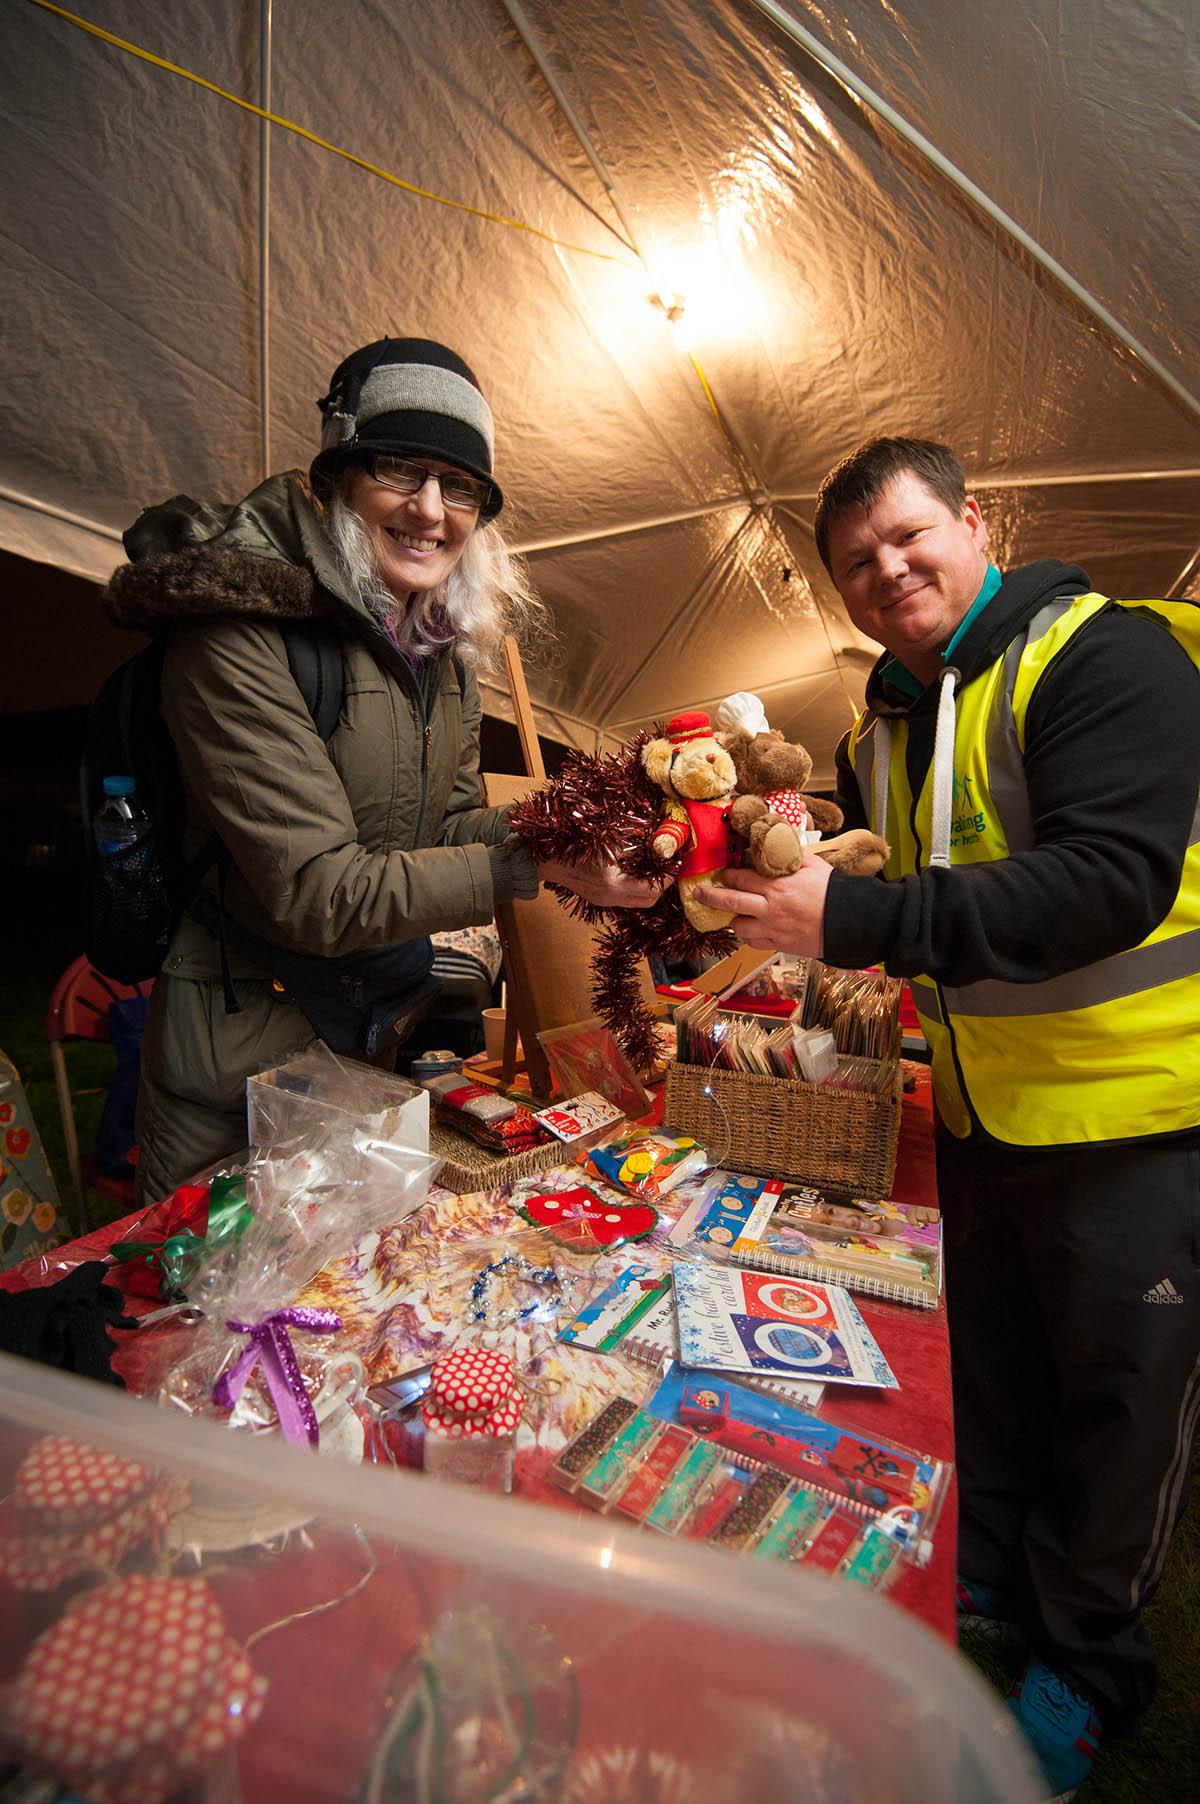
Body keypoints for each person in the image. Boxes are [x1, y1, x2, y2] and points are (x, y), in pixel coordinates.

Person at [695, 437, 1200, 1796]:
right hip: (987, 1114)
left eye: (912, 536)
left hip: (1147, 1121)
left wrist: (853, 918)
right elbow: (866, 849)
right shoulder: (892, 711)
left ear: (980, 523)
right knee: (1000, 1369)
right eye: (858, 560)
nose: (888, 570)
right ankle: (985, 1579)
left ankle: (1089, 1659)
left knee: (1124, 1403)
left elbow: (1109, 881)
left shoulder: (1105, 658)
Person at [104, 337, 656, 1204]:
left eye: (461, 487)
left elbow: (450, 826)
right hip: (237, 1074)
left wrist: (581, 826)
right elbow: (320, 892)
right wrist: (532, 866)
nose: (431, 510)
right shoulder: (236, 630)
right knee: (213, 1319)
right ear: (337, 477)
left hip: (362, 1043)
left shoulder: (437, 646)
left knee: (350, 1314)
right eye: (400, 469)